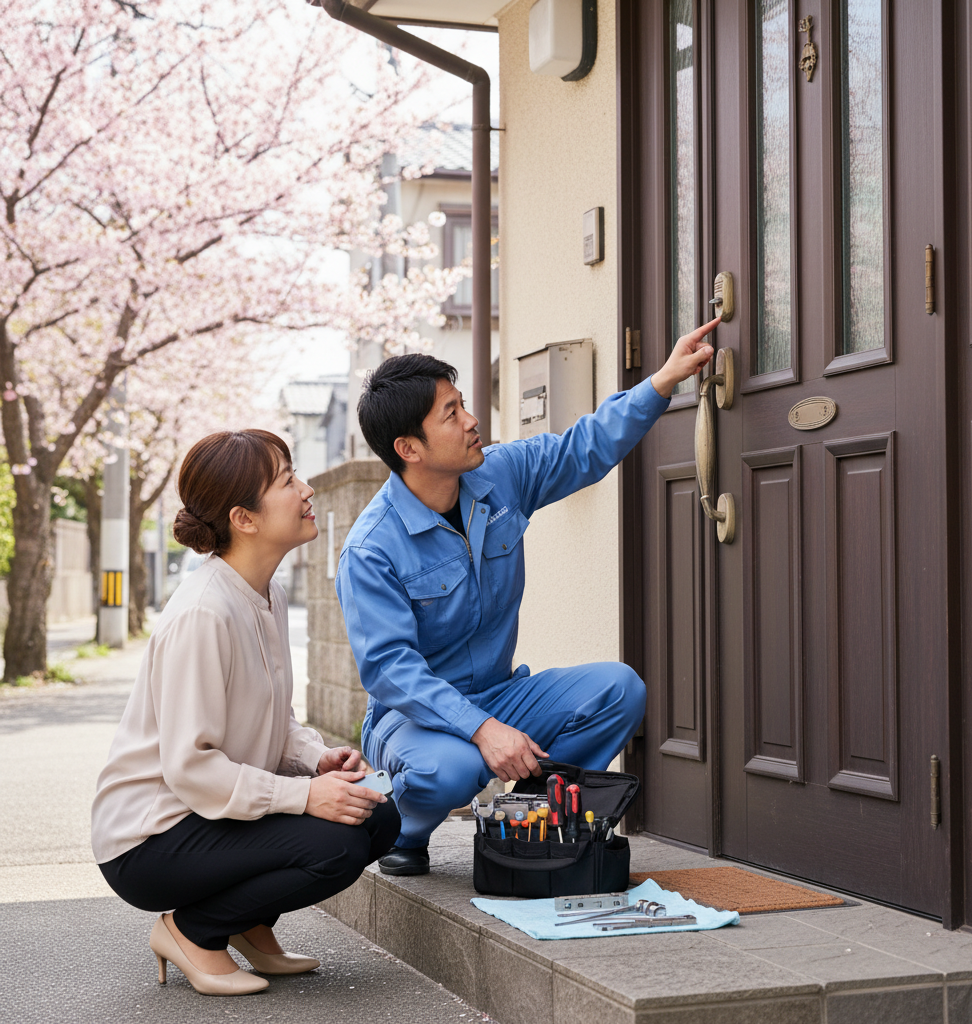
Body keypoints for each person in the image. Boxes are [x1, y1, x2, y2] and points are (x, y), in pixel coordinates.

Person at [336, 318, 720, 876]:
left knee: (618, 690)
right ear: (408, 448)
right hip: (412, 718)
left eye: (463, 404)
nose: (472, 421)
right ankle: (404, 830)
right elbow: (391, 669)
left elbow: (583, 447)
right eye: (451, 414)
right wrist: (482, 730)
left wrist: (663, 380)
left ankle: (535, 821)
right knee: (450, 769)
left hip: (499, 694)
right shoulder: (371, 548)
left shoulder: (500, 476)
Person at [92, 430, 400, 997]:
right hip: (151, 837)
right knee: (338, 845)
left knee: (376, 816)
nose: (306, 490)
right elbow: (191, 768)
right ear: (244, 518)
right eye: (287, 481)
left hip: (209, 813)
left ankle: (248, 922)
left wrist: (316, 761)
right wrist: (305, 796)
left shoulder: (266, 593)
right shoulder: (203, 614)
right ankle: (192, 931)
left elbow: (273, 720)